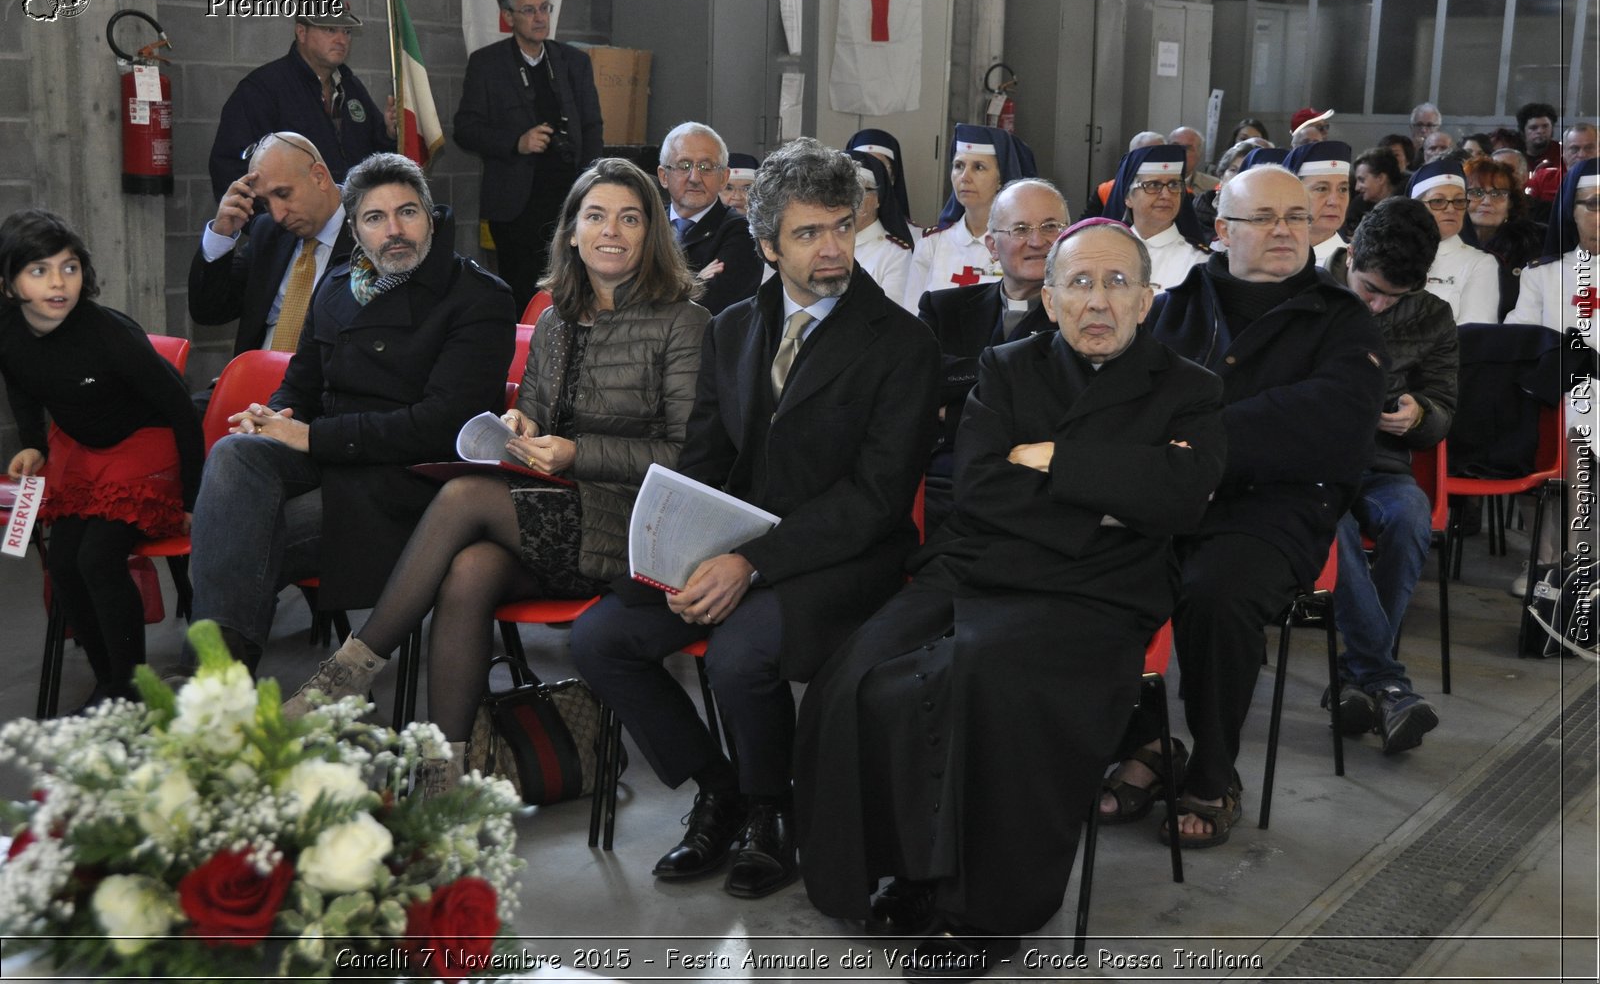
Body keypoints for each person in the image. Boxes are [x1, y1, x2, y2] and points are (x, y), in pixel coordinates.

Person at [795, 218, 1225, 973]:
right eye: (1080, 284)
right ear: (1050, 300)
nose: (1099, 301)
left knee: (978, 678)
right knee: (858, 673)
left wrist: (1052, 458)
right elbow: (984, 489)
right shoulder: (1006, 364)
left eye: (1118, 282)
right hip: (976, 565)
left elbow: (1182, 501)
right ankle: (906, 873)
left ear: (1148, 299)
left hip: (1096, 593)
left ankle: (986, 911)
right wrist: (1113, 492)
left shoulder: (1191, 387)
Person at [571, 138, 939, 901]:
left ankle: (775, 812)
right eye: (809, 233)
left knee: (739, 653)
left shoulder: (903, 343)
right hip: (731, 542)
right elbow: (703, 462)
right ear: (767, 244)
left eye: (842, 225)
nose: (833, 247)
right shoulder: (733, 326)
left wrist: (751, 563)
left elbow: (873, 500)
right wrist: (676, 553)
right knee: (600, 637)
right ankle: (724, 787)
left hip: (846, 558)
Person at [281, 159, 709, 793]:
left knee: (461, 495)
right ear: (571, 233)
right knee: (469, 568)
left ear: (652, 233)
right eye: (595, 217)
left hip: (637, 527)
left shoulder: (684, 322)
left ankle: (349, 671)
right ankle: (440, 777)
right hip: (552, 512)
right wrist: (521, 427)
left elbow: (688, 456)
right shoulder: (559, 321)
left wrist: (576, 452)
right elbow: (536, 415)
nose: (610, 231)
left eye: (630, 218)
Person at [1099, 166, 1386, 848]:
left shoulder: (1343, 320)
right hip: (1171, 498)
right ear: (1223, 230)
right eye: (1263, 218)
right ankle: (1145, 742)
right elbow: (1132, 403)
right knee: (1101, 571)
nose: (1286, 230)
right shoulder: (1175, 306)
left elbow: (1324, 425)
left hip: (1276, 508)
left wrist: (1193, 434)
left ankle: (1213, 765)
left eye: (1296, 215)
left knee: (1216, 591)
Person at [187, 153, 515, 670]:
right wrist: (270, 418)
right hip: (335, 459)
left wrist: (313, 439)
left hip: (407, 484)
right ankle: (221, 677)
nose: (395, 231)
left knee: (244, 532)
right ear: (356, 230)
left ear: (431, 216)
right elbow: (302, 383)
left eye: (408, 212)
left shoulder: (476, 297)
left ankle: (215, 680)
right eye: (375, 218)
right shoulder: (339, 283)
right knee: (236, 452)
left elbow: (442, 427)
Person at [0, 210, 204, 708]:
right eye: (39, 270)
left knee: (98, 559)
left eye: (69, 268)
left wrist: (197, 497)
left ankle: (131, 686)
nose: (58, 282)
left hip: (145, 444)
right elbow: (20, 382)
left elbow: (179, 404)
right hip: (81, 447)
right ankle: (108, 679)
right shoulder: (7, 328)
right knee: (65, 565)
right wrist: (32, 442)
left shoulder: (106, 333)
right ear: (8, 285)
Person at [1329, 197, 1456, 753]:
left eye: (1393, 297)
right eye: (1368, 289)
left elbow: (1446, 407)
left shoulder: (1432, 315)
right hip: (1312, 464)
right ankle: (1383, 680)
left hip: (1383, 463)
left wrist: (1419, 415)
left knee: (1410, 517)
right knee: (1330, 531)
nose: (1378, 306)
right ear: (1350, 252)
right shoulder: (1309, 295)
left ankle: (1360, 678)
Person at [916, 179, 1067, 535]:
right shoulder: (944, 307)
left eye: (1050, 227)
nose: (1037, 241)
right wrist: (1015, 375)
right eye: (1019, 229)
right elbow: (920, 385)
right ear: (992, 246)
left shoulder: (1080, 317)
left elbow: (1055, 407)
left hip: (1031, 490)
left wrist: (951, 411)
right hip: (941, 480)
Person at [455, 0, 604, 316]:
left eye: (544, 8)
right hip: (515, 204)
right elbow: (466, 129)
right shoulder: (486, 64)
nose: (540, 18)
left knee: (575, 287)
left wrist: (593, 184)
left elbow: (593, 126)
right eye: (529, 11)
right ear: (507, 17)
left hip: (570, 198)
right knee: (522, 293)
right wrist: (516, 142)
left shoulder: (573, 62)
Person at [207, 0, 394, 199]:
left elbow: (376, 161)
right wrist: (275, 226)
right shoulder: (263, 89)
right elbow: (231, 170)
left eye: (347, 31)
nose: (342, 40)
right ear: (301, 32)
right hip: (296, 229)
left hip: (352, 225)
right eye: (330, 29)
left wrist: (389, 135)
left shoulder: (352, 88)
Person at [1506, 157, 1600, 573]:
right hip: (1556, 398)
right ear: (1571, 211)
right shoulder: (1542, 276)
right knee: (1560, 421)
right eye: (1594, 203)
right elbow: (1518, 341)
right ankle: (1547, 561)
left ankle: (1577, 564)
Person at [190, 132, 353, 360]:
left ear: (319, 177)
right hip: (256, 384)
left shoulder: (368, 233)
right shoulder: (268, 232)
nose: (277, 214)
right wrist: (221, 234)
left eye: (283, 194)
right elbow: (209, 311)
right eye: (265, 202)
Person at [903, 124, 1037, 309]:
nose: (964, 177)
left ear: (1000, 178)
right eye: (958, 166)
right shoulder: (932, 244)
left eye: (979, 167)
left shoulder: (1022, 245)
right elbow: (912, 316)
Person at [657, 122, 763, 316]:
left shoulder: (741, 233)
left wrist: (656, 286)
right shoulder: (647, 223)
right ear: (664, 176)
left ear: (723, 178)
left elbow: (711, 306)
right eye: (684, 165)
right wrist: (695, 282)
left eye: (706, 167)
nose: (695, 177)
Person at [1101, 143, 1210, 289]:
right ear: (1128, 198)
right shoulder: (1101, 252)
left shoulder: (1199, 262)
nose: (1166, 195)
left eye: (1173, 185)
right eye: (1153, 185)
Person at [1409, 158, 1499, 324]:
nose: (1451, 209)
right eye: (1438, 201)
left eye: (1458, 201)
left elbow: (1475, 331)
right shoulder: (1392, 254)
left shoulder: (1479, 263)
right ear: (1415, 207)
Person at [1465, 156, 1545, 319]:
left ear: (1510, 203)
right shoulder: (1445, 243)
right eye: (1476, 192)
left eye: (1497, 193)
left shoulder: (1534, 244)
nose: (1486, 201)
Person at [848, 151, 914, 306]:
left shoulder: (896, 254)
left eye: (857, 192)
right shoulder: (826, 246)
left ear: (878, 198)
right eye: (839, 191)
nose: (846, 200)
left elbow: (891, 315)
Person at [1287, 140, 1354, 276]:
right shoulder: (1273, 256)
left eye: (1343, 189)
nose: (1334, 201)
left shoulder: (1352, 265)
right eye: (1322, 188)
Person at [845, 128, 918, 231]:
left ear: (892, 177)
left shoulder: (915, 236)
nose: (871, 168)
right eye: (862, 164)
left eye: (879, 165)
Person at [1196, 137, 1271, 233]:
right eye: (1233, 170)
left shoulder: (1267, 212)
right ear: (1222, 175)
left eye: (1246, 171)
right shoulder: (1202, 205)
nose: (1238, 176)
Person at [1170, 126, 1220, 191]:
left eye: (1187, 148)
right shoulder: (1153, 182)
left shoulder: (1214, 186)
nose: (1180, 152)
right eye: (1175, 147)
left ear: (1199, 154)